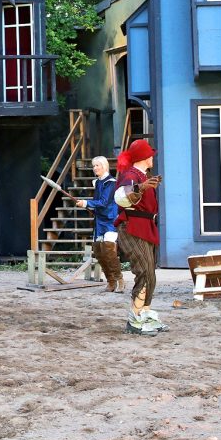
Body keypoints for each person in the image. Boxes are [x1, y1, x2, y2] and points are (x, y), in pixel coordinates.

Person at [113, 139, 166, 335]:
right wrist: (140, 188)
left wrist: (143, 185)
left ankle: (145, 314)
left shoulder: (143, 175)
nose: (152, 157)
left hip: (145, 227)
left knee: (150, 273)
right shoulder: (130, 175)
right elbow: (120, 197)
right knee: (144, 271)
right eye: (150, 154)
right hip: (132, 227)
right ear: (144, 157)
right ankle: (134, 319)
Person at [76, 155, 123, 293]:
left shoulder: (111, 182)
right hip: (99, 221)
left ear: (105, 166)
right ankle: (111, 281)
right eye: (94, 166)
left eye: (98, 165)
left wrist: (86, 203)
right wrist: (88, 205)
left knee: (109, 250)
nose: (95, 168)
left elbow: (104, 202)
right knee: (98, 252)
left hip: (110, 220)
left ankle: (119, 280)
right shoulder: (97, 182)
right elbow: (98, 202)